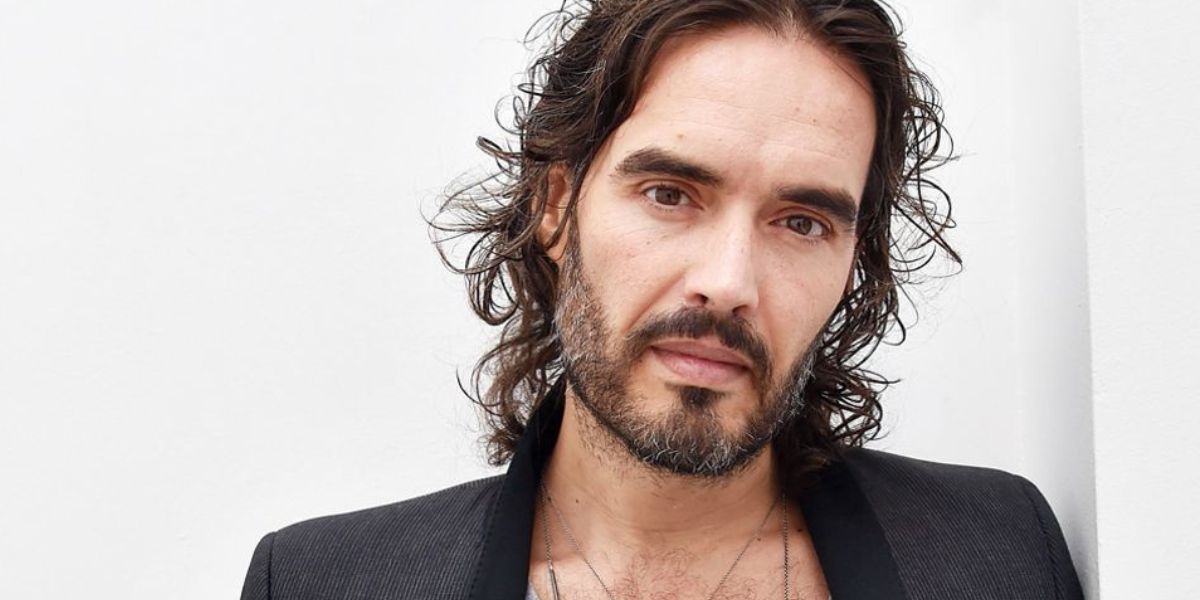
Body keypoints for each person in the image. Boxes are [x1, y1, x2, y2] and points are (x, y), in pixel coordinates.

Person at [240, 1, 1084, 598]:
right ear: (556, 207)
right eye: (671, 194)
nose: (729, 281)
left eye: (801, 222)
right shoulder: (322, 582)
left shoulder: (1001, 555)